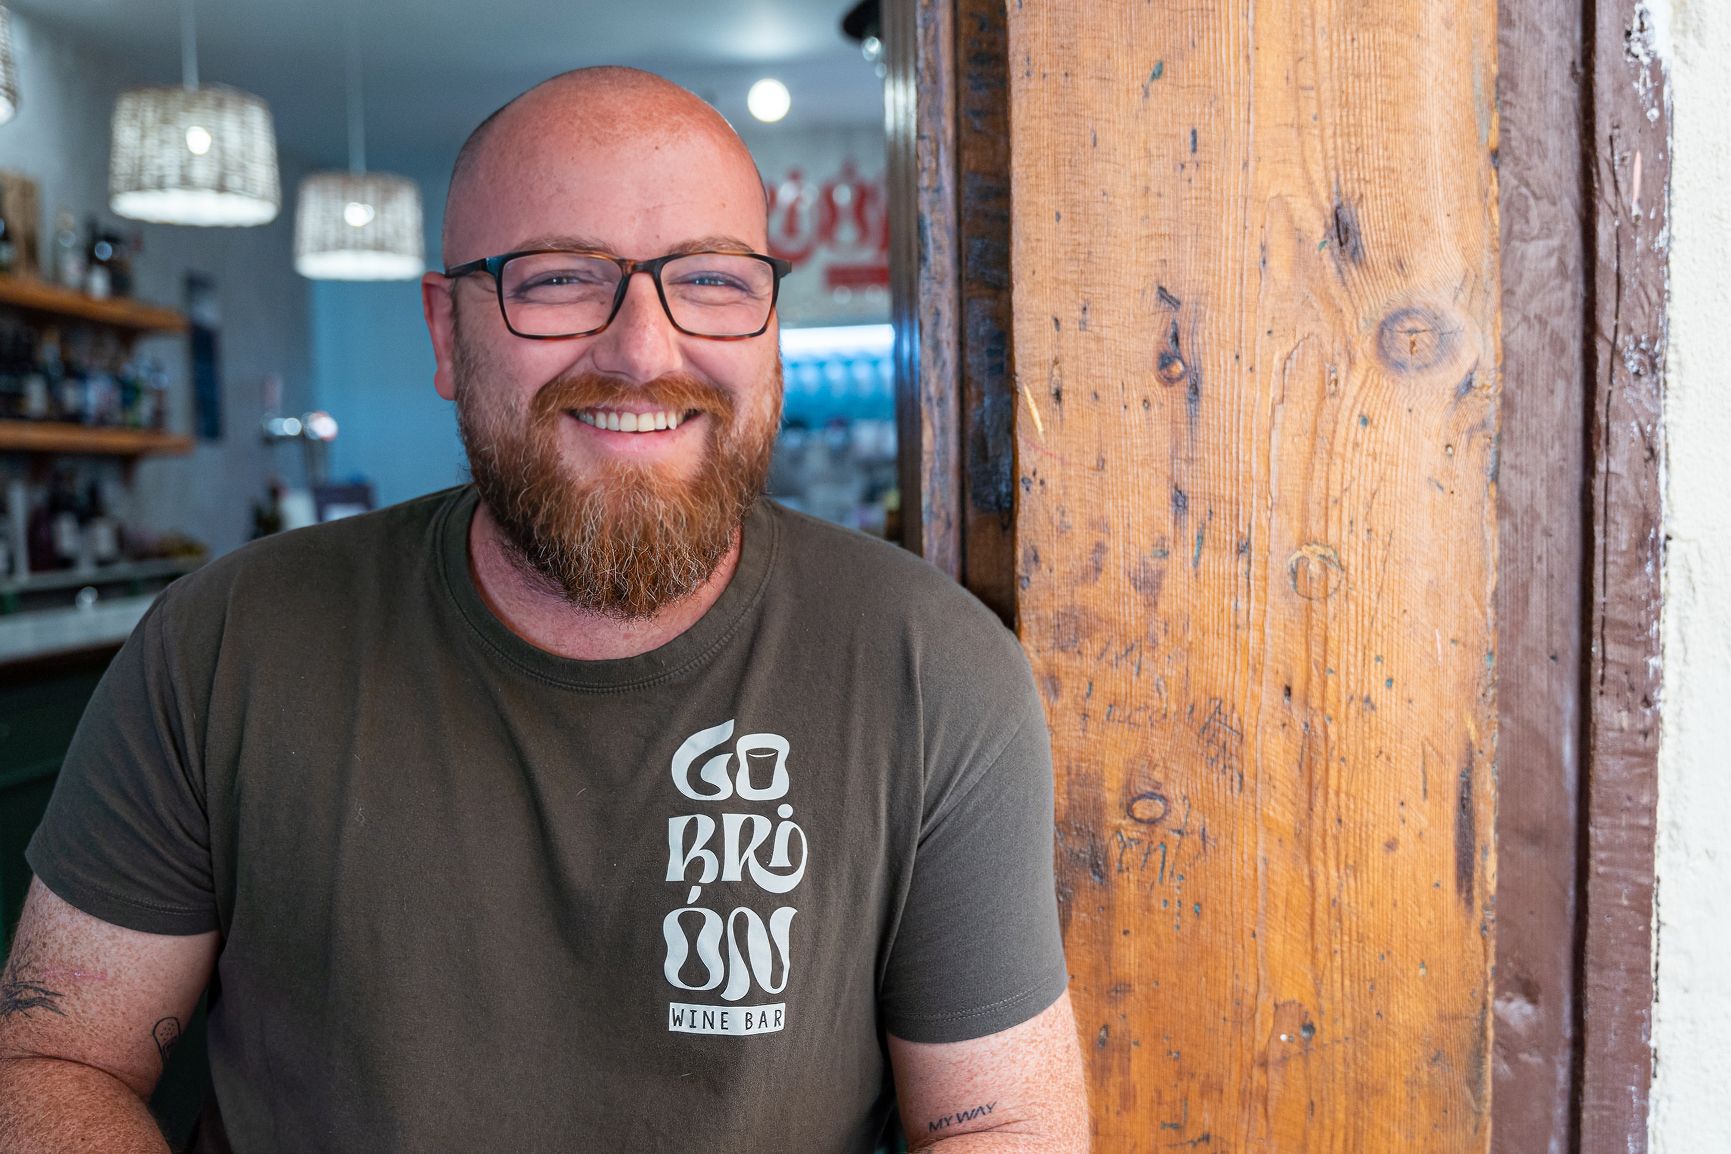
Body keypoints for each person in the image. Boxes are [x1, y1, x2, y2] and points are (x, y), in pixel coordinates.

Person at [0, 68, 1086, 1152]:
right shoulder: (220, 648)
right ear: (445, 332)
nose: (644, 351)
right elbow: (55, 1058)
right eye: (560, 278)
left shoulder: (932, 668)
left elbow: (1002, 1129)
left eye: (709, 278)